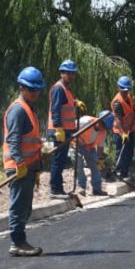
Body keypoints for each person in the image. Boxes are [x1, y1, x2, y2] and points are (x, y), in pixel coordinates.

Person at [3, 67, 45, 257]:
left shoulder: (29, 109)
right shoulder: (18, 110)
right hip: (18, 167)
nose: (36, 93)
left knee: (25, 206)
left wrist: (36, 167)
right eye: (32, 89)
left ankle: (20, 241)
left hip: (28, 167)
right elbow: (13, 139)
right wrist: (19, 163)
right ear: (22, 88)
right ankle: (17, 242)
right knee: (19, 205)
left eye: (37, 89)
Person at [48, 59, 79, 199]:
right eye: (69, 73)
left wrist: (75, 102)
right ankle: (55, 189)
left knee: (61, 160)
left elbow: (66, 104)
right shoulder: (58, 88)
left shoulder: (66, 89)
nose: (72, 76)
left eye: (73, 73)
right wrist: (58, 128)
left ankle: (58, 187)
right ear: (62, 73)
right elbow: (55, 109)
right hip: (59, 130)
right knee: (58, 159)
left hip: (66, 130)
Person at [74, 110, 110, 196]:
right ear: (99, 121)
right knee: (79, 165)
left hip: (90, 148)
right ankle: (81, 187)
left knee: (96, 166)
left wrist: (100, 159)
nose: (103, 128)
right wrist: (81, 142)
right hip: (76, 145)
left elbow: (100, 147)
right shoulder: (85, 121)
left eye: (105, 127)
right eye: (103, 126)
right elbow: (72, 131)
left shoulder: (103, 132)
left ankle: (97, 189)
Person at [112, 76, 135, 177]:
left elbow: (131, 111)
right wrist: (123, 133)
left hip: (130, 130)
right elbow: (118, 119)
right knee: (121, 153)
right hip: (120, 132)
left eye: (127, 90)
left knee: (129, 153)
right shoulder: (117, 102)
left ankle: (125, 172)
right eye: (123, 90)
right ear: (119, 88)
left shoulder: (129, 97)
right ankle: (118, 172)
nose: (125, 92)